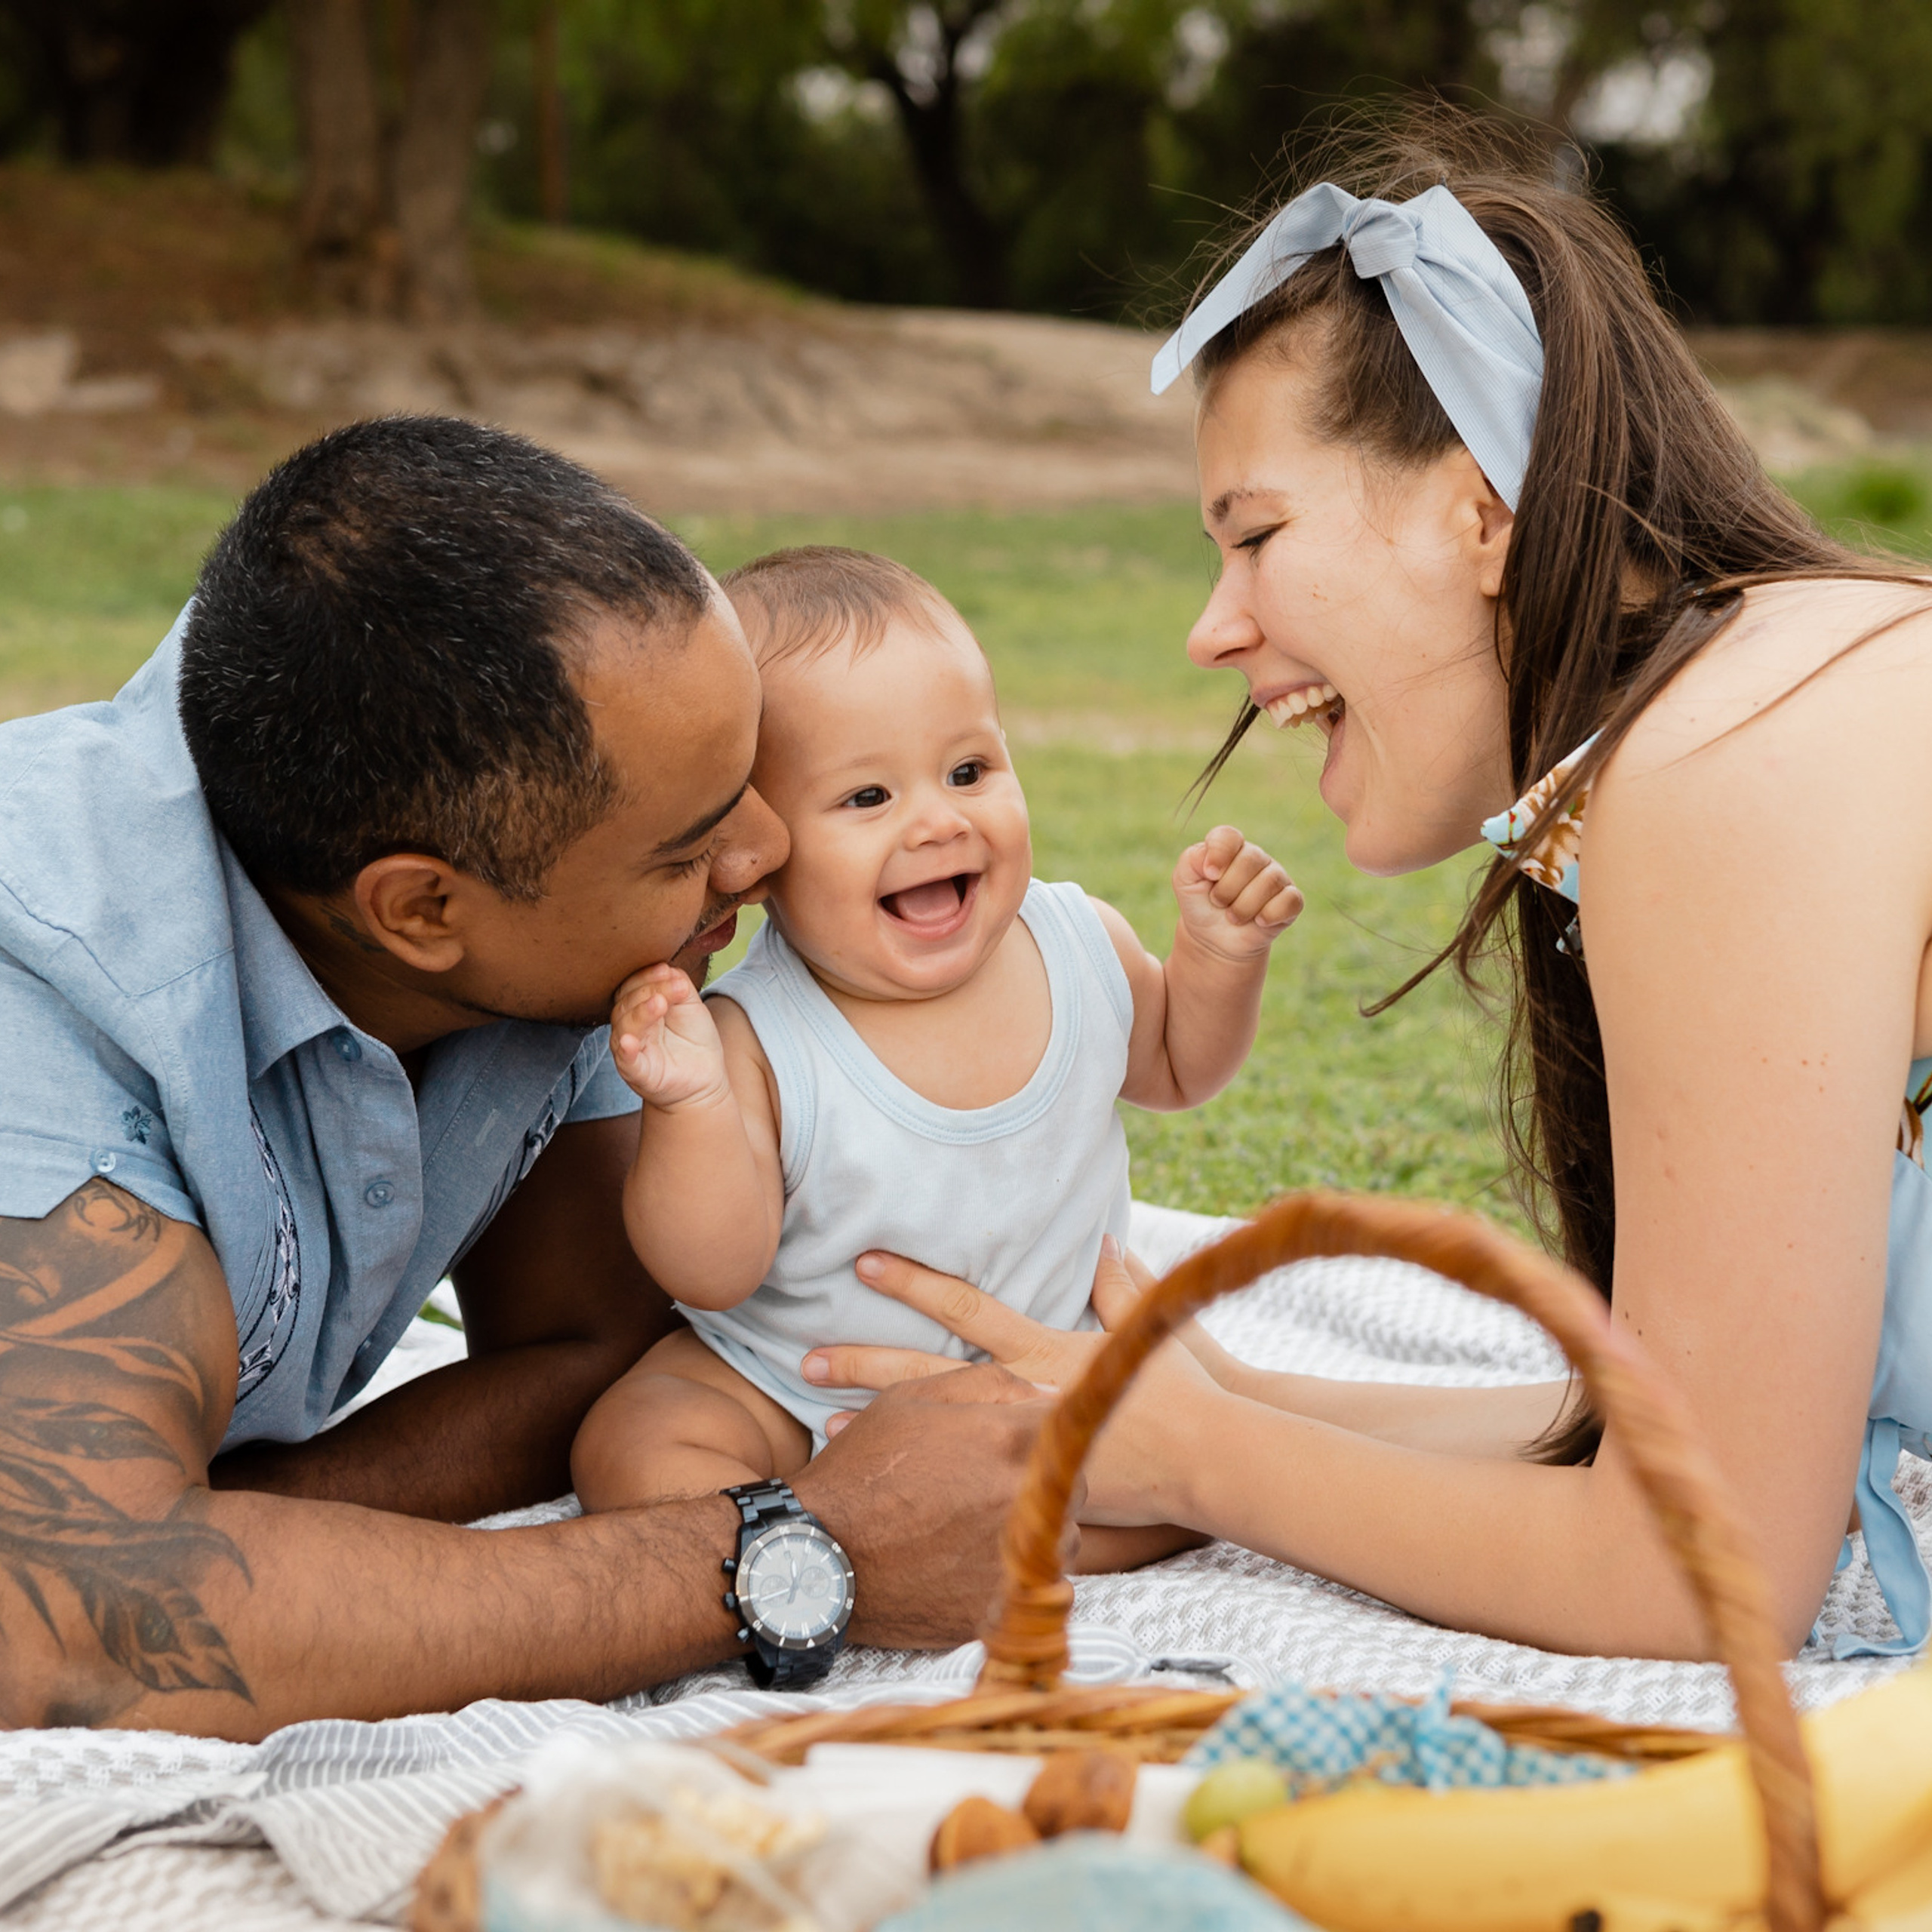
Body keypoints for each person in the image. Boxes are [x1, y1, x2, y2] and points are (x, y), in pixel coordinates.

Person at [795, 115, 1932, 1664]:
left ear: (1478, 512)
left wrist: (1190, 1456)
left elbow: (1691, 1570)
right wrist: (1197, 1393)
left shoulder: (1722, 765)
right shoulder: (1767, 684)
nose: (1210, 628)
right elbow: (1689, 1417)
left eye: (1254, 534)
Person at [0, 418, 1055, 1739]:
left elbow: (601, 1346)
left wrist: (250, 1531)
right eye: (687, 850)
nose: (766, 850)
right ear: (422, 914)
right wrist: (799, 1550)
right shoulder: (44, 994)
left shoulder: (492, 828)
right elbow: (78, 1624)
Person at [568, 546, 1300, 1578]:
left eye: (969, 771)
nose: (939, 820)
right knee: (637, 1444)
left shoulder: (1077, 944)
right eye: (866, 798)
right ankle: (825, 1529)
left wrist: (1218, 962)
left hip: (1041, 1369)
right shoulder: (757, 1034)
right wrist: (689, 1104)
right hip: (795, 1388)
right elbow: (710, 1268)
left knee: (1185, 1461)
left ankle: (951, 1532)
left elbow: (1177, 1066)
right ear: (763, 855)